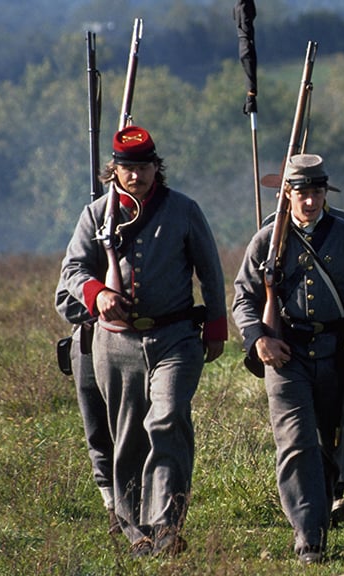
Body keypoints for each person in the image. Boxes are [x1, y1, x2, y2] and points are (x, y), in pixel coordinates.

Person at [59, 125, 228, 557]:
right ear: (113, 171)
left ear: (157, 168)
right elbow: (73, 273)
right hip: (116, 345)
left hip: (174, 337)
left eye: (144, 167)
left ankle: (168, 524)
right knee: (128, 437)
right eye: (128, 168)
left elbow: (210, 272)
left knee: (167, 421)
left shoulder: (184, 211)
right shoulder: (95, 215)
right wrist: (99, 295)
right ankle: (139, 534)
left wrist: (215, 327)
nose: (136, 175)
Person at [232, 153, 344, 564]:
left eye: (316, 191)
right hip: (287, 354)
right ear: (287, 194)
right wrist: (258, 340)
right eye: (302, 192)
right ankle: (310, 537)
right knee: (296, 443)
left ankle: (321, 509)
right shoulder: (267, 238)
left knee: (328, 445)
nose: (310, 201)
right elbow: (243, 299)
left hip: (336, 353)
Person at [53, 287, 119, 536]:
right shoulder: (83, 251)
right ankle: (112, 505)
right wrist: (102, 304)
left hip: (136, 341)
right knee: (97, 428)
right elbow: (64, 302)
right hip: (89, 344)